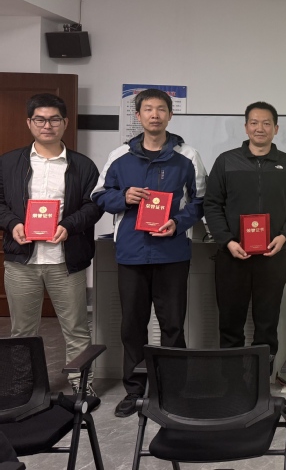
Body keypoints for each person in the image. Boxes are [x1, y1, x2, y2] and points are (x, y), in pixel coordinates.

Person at [92, 88, 206, 418]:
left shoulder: (188, 156)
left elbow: (201, 201)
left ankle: (173, 390)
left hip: (172, 252)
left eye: (161, 109)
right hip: (131, 252)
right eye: (148, 109)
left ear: (170, 114)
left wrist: (178, 223)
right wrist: (123, 197)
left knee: (173, 325)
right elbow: (98, 195)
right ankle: (135, 390)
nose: (154, 115)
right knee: (132, 325)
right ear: (138, 115)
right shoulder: (119, 156)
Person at [0, 93, 102, 396]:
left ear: (65, 123)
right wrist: (13, 223)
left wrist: (68, 226)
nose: (47, 125)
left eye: (54, 119)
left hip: (65, 261)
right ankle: (24, 388)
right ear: (29, 122)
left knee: (77, 329)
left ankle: (82, 387)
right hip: (22, 262)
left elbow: (94, 205)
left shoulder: (83, 165)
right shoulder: (8, 162)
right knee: (22, 331)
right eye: (40, 119)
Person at [204, 102, 286, 364]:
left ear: (276, 129)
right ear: (246, 127)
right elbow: (212, 204)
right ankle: (232, 380)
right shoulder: (226, 161)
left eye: (266, 123)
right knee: (230, 323)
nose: (260, 128)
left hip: (273, 256)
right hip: (232, 256)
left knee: (267, 324)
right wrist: (227, 241)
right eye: (254, 122)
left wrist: (285, 235)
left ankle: (261, 380)